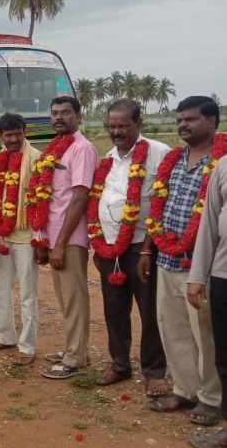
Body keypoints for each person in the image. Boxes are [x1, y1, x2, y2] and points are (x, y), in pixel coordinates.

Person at [147, 96, 223, 426]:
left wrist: (202, 271)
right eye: (179, 119)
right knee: (173, 328)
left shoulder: (221, 162)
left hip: (201, 265)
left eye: (190, 119)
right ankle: (184, 388)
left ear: (212, 121)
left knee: (205, 335)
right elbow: (157, 208)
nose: (182, 125)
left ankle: (211, 398)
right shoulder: (174, 159)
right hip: (167, 259)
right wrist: (150, 249)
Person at [89, 99, 170, 396]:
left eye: (123, 125)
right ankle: (120, 364)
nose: (117, 131)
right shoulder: (108, 158)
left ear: (139, 124)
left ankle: (154, 371)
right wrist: (99, 246)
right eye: (112, 126)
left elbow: (162, 204)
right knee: (114, 310)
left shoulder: (159, 154)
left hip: (142, 249)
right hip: (109, 249)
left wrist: (149, 248)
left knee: (149, 311)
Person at [30, 97, 98, 380]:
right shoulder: (57, 148)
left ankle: (75, 358)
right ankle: (75, 348)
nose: (59, 117)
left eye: (65, 113)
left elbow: (80, 197)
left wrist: (59, 244)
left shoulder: (81, 149)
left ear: (78, 116)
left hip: (69, 238)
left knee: (74, 297)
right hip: (54, 234)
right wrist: (43, 238)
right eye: (54, 113)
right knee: (64, 297)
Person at [0, 113, 40, 366]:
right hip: (3, 236)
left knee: (28, 293)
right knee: (0, 289)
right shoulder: (0, 158)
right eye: (9, 135)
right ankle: (5, 336)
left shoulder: (37, 158)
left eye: (18, 133)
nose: (14, 139)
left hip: (27, 235)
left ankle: (27, 346)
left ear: (25, 131)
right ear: (1, 137)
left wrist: (41, 239)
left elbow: (42, 202)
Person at [188, 100, 227, 446]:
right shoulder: (225, 167)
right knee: (225, 353)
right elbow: (209, 227)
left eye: (191, 119)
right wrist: (198, 276)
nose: (183, 124)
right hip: (223, 275)